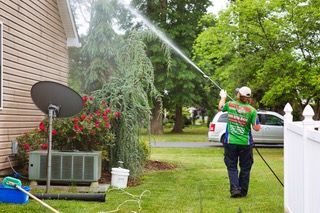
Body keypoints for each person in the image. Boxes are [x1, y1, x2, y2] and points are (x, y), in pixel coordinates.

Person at [218, 86, 261, 198]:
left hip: (230, 142)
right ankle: (243, 191)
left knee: (231, 166)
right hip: (245, 144)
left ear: (238, 95)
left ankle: (235, 189)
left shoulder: (230, 105)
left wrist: (223, 97)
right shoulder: (252, 110)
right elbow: (256, 128)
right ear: (249, 97)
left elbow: (221, 107)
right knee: (245, 167)